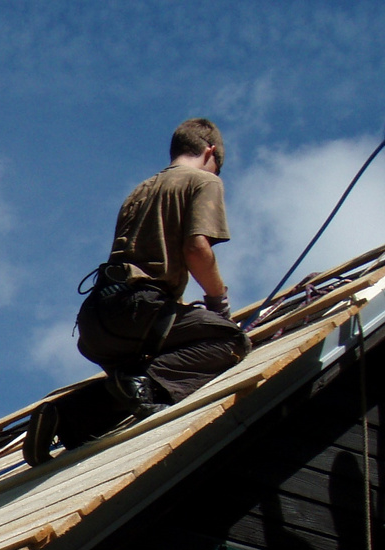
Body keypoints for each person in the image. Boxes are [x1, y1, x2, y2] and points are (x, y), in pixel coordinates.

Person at [26, 118, 252, 463]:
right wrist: (217, 303)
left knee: (142, 387)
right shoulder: (203, 181)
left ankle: (68, 417)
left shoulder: (142, 188)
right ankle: (131, 383)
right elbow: (196, 249)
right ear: (210, 153)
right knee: (230, 342)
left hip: (98, 319)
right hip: (138, 309)